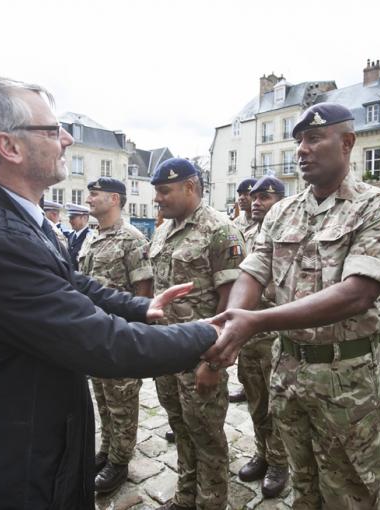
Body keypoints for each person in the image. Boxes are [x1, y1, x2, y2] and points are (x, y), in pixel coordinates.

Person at [0, 74, 223, 509]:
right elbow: (100, 342)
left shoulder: (11, 217)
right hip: (4, 461)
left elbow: (68, 281)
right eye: (52, 129)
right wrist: (209, 335)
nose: (65, 139)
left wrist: (140, 305)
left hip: (26, 429)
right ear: (10, 146)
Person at [205, 103, 380, 509]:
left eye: (314, 138)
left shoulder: (379, 206)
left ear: (347, 142)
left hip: (346, 381)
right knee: (304, 485)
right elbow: (253, 273)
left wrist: (256, 322)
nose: (301, 150)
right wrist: (232, 326)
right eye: (299, 141)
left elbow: (358, 292)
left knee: (349, 491)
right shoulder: (282, 212)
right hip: (288, 374)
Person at [148, 157, 246, 510]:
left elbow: (231, 306)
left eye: (163, 191)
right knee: (181, 431)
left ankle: (211, 503)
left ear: (190, 187)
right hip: (166, 357)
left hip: (200, 360)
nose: (157, 199)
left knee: (207, 439)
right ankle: (185, 497)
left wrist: (214, 365)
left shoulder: (220, 231)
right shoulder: (161, 231)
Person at [79, 177, 154, 494]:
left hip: (119, 336)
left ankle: (120, 461)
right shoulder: (90, 236)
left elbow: (143, 291)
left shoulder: (132, 239)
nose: (89, 199)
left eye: (94, 195)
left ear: (114, 199)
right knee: (103, 399)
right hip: (94, 334)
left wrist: (135, 336)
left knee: (122, 400)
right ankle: (107, 449)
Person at [235, 175, 289, 498]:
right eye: (254, 197)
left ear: (280, 201)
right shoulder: (245, 232)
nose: (256, 202)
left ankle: (280, 462)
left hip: (276, 334)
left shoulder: (289, 232)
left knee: (276, 403)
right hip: (249, 333)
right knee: (255, 399)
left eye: (264, 198)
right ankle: (262, 452)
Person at [229, 177, 257, 404]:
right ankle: (244, 384)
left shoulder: (266, 221)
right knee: (242, 344)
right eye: (239, 193)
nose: (242, 197)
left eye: (246, 193)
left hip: (259, 291)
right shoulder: (235, 224)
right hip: (238, 285)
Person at [67, 202, 91, 271]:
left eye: (72, 218)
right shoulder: (71, 235)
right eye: (69, 218)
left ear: (84, 218)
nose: (70, 221)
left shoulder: (89, 237)